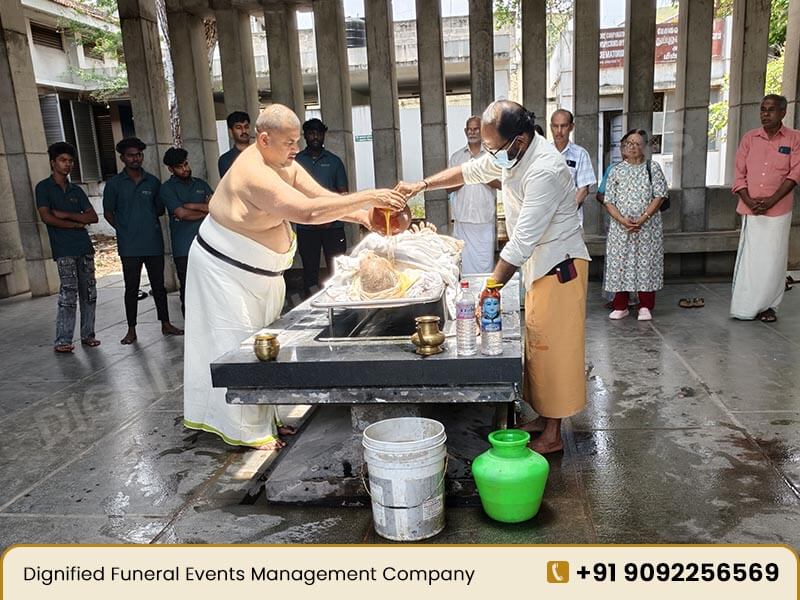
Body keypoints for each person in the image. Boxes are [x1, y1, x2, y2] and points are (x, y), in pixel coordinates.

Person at [183, 104, 406, 451]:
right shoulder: (252, 172)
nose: (297, 149)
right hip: (223, 270)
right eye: (289, 142)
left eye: (297, 141)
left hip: (262, 271)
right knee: (240, 345)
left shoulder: (282, 161)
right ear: (263, 138)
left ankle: (268, 418)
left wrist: (360, 213)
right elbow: (307, 212)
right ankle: (246, 431)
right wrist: (370, 195)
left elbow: (317, 195)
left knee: (266, 347)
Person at [396, 100, 590, 454]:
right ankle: (543, 419)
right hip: (540, 266)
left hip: (560, 266)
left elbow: (521, 241)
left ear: (518, 140)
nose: (489, 153)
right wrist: (420, 185)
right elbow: (468, 172)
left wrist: (491, 287)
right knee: (539, 345)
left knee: (556, 351)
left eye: (493, 147)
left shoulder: (545, 168)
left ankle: (553, 435)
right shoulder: (513, 154)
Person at [103, 137, 184, 344]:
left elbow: (159, 209)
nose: (135, 158)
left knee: (159, 286)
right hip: (129, 246)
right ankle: (131, 329)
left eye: (138, 154)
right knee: (131, 288)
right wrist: (123, 229)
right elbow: (108, 212)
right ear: (122, 158)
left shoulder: (153, 182)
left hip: (153, 243)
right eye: (130, 155)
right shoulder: (114, 184)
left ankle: (165, 323)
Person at [730, 94, 800, 323]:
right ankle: (746, 306)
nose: (765, 114)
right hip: (751, 208)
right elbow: (739, 174)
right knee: (750, 259)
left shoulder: (794, 139)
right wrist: (749, 200)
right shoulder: (750, 138)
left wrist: (771, 201)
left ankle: (769, 306)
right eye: (762, 109)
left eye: (770, 109)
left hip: (778, 209)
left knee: (774, 259)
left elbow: (795, 174)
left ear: (783, 112)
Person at [36, 142, 100, 353]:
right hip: (63, 249)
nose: (67, 165)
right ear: (53, 162)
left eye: (70, 161)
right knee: (68, 293)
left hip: (84, 247)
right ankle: (63, 339)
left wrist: (65, 215)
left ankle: (88, 334)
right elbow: (47, 217)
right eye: (63, 160)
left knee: (89, 293)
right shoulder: (44, 188)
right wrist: (76, 223)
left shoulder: (76, 190)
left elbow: (92, 216)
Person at [602, 129, 667, 321]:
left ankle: (645, 305)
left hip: (647, 227)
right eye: (629, 143)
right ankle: (620, 305)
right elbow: (608, 200)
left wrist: (644, 217)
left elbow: (660, 195)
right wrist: (622, 220)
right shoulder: (616, 170)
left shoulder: (652, 167)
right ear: (623, 147)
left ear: (645, 147)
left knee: (646, 264)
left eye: (637, 143)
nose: (632, 147)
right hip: (621, 228)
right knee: (621, 264)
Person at [293, 118, 349, 297]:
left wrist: (329, 218)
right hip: (306, 226)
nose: (315, 136)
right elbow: (290, 194)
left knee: (337, 269)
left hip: (333, 226)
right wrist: (310, 218)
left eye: (319, 133)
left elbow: (343, 195)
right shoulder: (296, 162)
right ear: (305, 136)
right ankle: (310, 306)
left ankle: (340, 305)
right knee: (310, 270)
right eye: (311, 133)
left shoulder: (334, 162)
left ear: (324, 135)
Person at [160, 147, 213, 316]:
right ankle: (191, 325)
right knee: (188, 288)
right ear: (171, 169)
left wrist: (192, 206)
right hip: (183, 247)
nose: (185, 169)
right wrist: (204, 211)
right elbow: (181, 214)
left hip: (207, 244)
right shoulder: (167, 188)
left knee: (209, 287)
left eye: (186, 164)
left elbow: (215, 207)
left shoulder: (200, 184)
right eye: (179, 167)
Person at [447, 116, 500, 274]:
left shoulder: (493, 156)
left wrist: (480, 174)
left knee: (485, 270)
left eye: (476, 128)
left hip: (484, 222)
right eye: (469, 129)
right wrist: (465, 174)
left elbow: (503, 184)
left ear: (482, 131)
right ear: (465, 131)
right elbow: (448, 189)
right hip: (462, 222)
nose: (472, 132)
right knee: (463, 270)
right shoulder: (457, 158)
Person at [550, 109, 596, 222]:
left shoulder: (580, 154)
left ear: (571, 127)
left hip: (571, 219)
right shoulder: (543, 153)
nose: (559, 131)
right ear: (551, 127)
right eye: (556, 126)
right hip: (547, 220)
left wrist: (565, 213)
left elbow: (583, 189)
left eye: (564, 126)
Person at [218, 111, 251, 179]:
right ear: (231, 131)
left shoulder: (262, 153)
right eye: (239, 127)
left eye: (246, 127)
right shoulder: (225, 160)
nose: (244, 131)